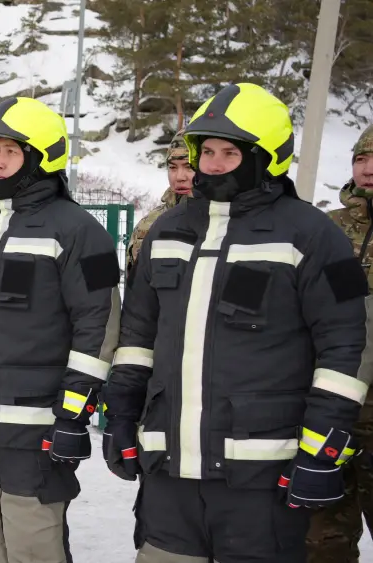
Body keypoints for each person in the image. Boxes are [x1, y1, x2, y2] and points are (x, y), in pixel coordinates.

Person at [102, 83, 370, 563]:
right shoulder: (166, 230)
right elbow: (138, 339)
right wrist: (120, 416)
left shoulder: (316, 235)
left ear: (266, 156)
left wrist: (322, 447)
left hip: (262, 475)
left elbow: (346, 347)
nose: (214, 163)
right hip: (170, 472)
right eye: (206, 150)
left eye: (230, 151)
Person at [0, 97, 120, 563]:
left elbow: (98, 325)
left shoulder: (79, 230)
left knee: (34, 544)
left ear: (42, 155)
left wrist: (74, 412)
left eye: (12, 150)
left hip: (35, 426)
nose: (0, 160)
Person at [307, 124, 373, 562]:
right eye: (361, 158)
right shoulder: (327, 229)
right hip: (333, 405)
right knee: (322, 536)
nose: (367, 170)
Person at [125, 130, 193, 279]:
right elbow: (136, 295)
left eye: (189, 167)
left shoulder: (226, 222)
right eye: (173, 167)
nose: (179, 177)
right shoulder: (148, 226)